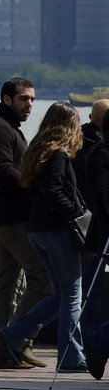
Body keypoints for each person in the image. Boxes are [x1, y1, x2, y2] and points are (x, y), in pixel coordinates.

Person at [0, 102, 89, 373]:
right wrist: (76, 214)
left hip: (38, 232)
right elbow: (54, 193)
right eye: (76, 122)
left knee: (60, 295)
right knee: (72, 295)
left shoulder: (38, 153)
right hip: (58, 233)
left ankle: (14, 332)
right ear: (67, 125)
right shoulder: (58, 154)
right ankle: (70, 358)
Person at [0, 77, 50, 370]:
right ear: (6, 99)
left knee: (7, 285)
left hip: (1, 219)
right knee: (44, 278)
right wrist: (37, 186)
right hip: (11, 220)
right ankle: (18, 341)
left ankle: (0, 352)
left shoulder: (8, 129)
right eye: (23, 99)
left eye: (32, 99)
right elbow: (4, 173)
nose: (29, 104)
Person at [79, 100, 109, 347]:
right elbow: (100, 194)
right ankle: (93, 341)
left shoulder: (82, 145)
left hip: (93, 226)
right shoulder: (98, 152)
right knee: (90, 288)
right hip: (98, 229)